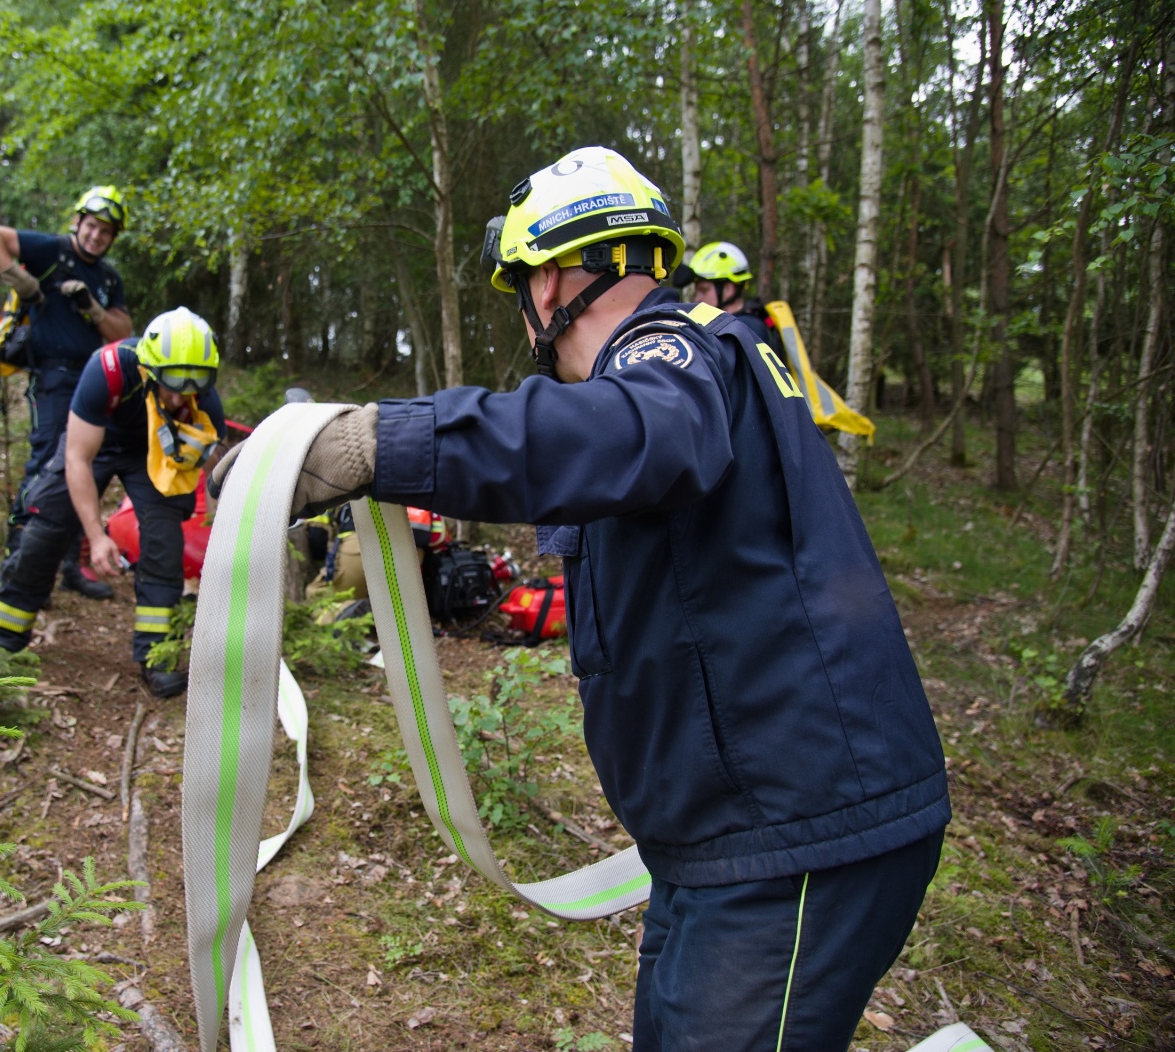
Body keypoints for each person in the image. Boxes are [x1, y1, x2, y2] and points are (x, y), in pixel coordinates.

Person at [213, 146, 948, 1051]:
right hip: (736, 835)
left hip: (792, 838)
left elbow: (640, 433)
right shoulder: (725, 356)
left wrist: (381, 441)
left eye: (523, 283)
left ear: (555, 280)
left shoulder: (669, 357)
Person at [0, 307, 226, 699]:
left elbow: (217, 470)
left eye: (193, 383)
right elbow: (77, 458)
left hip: (150, 453)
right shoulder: (109, 368)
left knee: (164, 542)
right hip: (92, 444)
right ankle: (2, 638)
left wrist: (222, 531)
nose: (181, 394)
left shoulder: (201, 395)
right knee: (48, 527)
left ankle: (157, 656)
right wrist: (96, 537)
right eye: (172, 382)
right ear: (149, 365)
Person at [0, 185, 135, 600]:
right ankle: (21, 568)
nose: (96, 236)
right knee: (47, 468)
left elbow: (122, 331)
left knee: (86, 473)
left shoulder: (108, 278)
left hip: (93, 380)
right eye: (92, 226)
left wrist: (92, 308)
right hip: (53, 378)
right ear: (79, 221)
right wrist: (23, 281)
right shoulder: (51, 251)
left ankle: (70, 566)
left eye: (106, 231)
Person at [674, 240, 774, 345]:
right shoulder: (743, 325)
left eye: (704, 290)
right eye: (697, 291)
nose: (697, 299)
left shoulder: (745, 329)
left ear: (728, 289)